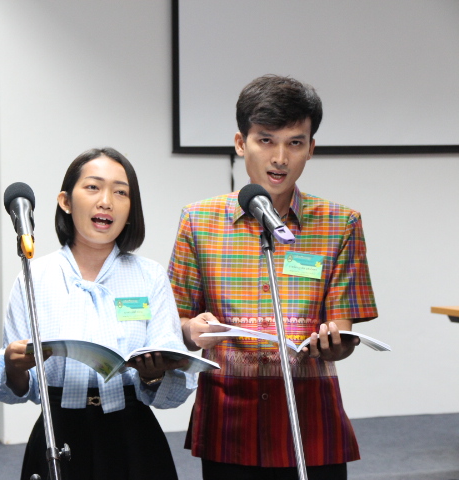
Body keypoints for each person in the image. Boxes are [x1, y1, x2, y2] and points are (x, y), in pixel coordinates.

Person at [168, 75, 378, 480]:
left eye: (295, 143)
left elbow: (342, 332)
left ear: (311, 148)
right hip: (229, 422)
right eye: (266, 140)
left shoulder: (340, 224)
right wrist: (192, 330)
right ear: (240, 143)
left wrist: (332, 343)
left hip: (310, 421)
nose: (280, 157)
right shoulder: (198, 221)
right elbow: (174, 321)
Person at [0, 148, 196, 480]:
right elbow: (20, 387)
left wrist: (153, 374)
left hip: (133, 436)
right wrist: (13, 366)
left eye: (121, 192)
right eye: (93, 187)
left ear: (131, 209)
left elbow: (168, 385)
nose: (106, 201)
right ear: (66, 202)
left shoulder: (150, 276)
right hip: (58, 431)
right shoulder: (34, 277)